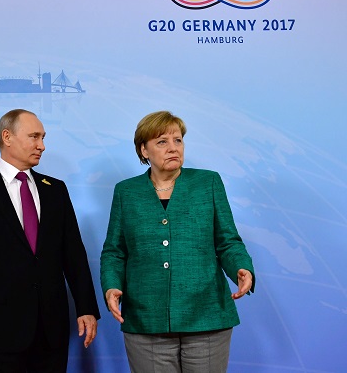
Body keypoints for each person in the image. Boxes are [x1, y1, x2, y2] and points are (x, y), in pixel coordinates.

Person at [100, 111, 255, 373]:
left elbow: (228, 241)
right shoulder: (126, 192)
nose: (173, 148)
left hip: (206, 317)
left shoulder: (208, 183)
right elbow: (115, 252)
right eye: (162, 141)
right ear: (143, 150)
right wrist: (112, 286)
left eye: (178, 140)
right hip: (145, 318)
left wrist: (241, 268)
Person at [0, 108, 100, 372]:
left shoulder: (56, 190)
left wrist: (86, 307)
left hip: (51, 330)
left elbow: (73, 254)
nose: (42, 146)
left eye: (43, 138)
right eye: (34, 137)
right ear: (7, 137)